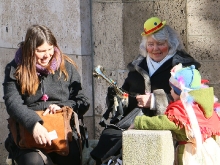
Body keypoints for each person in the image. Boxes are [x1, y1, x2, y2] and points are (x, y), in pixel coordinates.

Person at [90, 16, 201, 164]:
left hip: (167, 122)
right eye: (151, 44)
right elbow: (127, 94)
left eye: (160, 44)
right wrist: (118, 99)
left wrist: (155, 101)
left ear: (171, 44)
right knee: (110, 135)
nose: (155, 49)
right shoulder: (137, 66)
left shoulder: (184, 67)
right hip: (134, 119)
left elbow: (191, 99)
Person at [3, 25, 90, 165]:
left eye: (50, 49)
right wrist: (34, 125)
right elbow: (12, 103)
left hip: (62, 131)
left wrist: (62, 107)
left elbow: (82, 100)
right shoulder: (15, 68)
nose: (47, 55)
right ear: (30, 50)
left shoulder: (66, 66)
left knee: (69, 157)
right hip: (28, 132)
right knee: (33, 161)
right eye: (40, 51)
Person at [129, 63, 220, 165]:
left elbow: (165, 122)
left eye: (172, 89)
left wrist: (139, 122)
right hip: (211, 149)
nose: (170, 91)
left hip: (192, 154)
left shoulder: (183, 109)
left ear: (179, 92)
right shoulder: (203, 105)